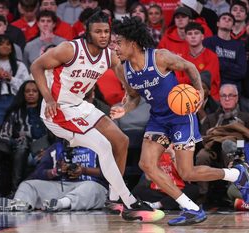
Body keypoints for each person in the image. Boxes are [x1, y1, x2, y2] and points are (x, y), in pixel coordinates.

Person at [112, 16, 249, 226]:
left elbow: (189, 67)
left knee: (187, 172)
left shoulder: (160, 57)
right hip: (158, 120)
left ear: (132, 42)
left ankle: (235, 174)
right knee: (147, 165)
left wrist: (198, 94)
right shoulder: (124, 69)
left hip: (180, 118)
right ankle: (192, 208)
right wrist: (123, 109)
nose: (115, 47)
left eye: (119, 42)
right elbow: (133, 96)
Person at [30, 10, 165, 222]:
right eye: (98, 31)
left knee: (121, 141)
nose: (103, 36)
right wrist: (48, 98)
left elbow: (130, 89)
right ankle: (129, 202)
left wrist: (129, 101)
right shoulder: (69, 49)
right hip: (57, 110)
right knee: (103, 146)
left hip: (79, 105)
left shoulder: (110, 56)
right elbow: (36, 66)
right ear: (88, 33)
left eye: (106, 32)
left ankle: (113, 198)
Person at [0, 141, 109, 212]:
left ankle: (62, 204)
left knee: (92, 188)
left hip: (90, 186)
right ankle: (20, 203)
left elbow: (109, 173)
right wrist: (55, 171)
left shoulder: (97, 146)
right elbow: (38, 173)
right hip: (61, 187)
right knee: (28, 184)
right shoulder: (57, 147)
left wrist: (84, 170)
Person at [195, 84, 249, 203]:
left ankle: (233, 192)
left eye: (230, 96)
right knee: (201, 155)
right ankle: (202, 194)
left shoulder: (245, 117)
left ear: (237, 98)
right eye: (223, 96)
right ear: (219, 98)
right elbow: (203, 139)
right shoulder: (211, 119)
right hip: (213, 150)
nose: (227, 99)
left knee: (229, 147)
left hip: (237, 149)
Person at [0, 80, 48, 191]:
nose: (31, 93)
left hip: (43, 150)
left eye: (34, 91)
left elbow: (55, 136)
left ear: (39, 93)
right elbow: (3, 135)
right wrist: (16, 141)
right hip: (22, 151)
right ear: (23, 94)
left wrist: (48, 150)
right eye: (27, 91)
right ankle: (16, 190)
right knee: (22, 145)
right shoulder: (15, 112)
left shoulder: (46, 112)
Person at [177, 22, 221, 101]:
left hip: (209, 100)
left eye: (196, 33)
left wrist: (188, 79)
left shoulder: (212, 56)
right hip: (186, 98)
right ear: (186, 38)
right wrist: (194, 78)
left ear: (202, 37)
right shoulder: (181, 58)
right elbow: (177, 81)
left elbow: (206, 80)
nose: (193, 36)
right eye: (190, 34)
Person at [203, 12, 246, 92]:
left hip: (232, 90)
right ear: (218, 23)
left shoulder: (239, 45)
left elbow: (241, 72)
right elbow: (207, 67)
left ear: (233, 26)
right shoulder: (208, 42)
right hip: (212, 88)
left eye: (229, 20)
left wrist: (219, 64)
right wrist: (231, 66)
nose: (226, 20)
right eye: (224, 18)